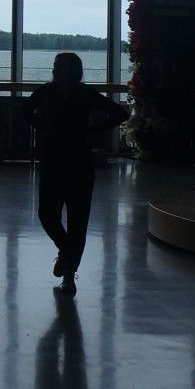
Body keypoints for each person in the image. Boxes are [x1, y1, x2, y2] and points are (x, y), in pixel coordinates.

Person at [22, 52, 129, 295]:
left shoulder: (49, 93)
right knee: (60, 218)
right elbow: (121, 114)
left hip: (60, 160)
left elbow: (25, 112)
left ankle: (68, 272)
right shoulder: (80, 94)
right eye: (56, 65)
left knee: (63, 218)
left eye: (60, 66)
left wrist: (45, 129)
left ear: (71, 70)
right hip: (76, 160)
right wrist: (91, 131)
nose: (55, 69)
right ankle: (68, 260)